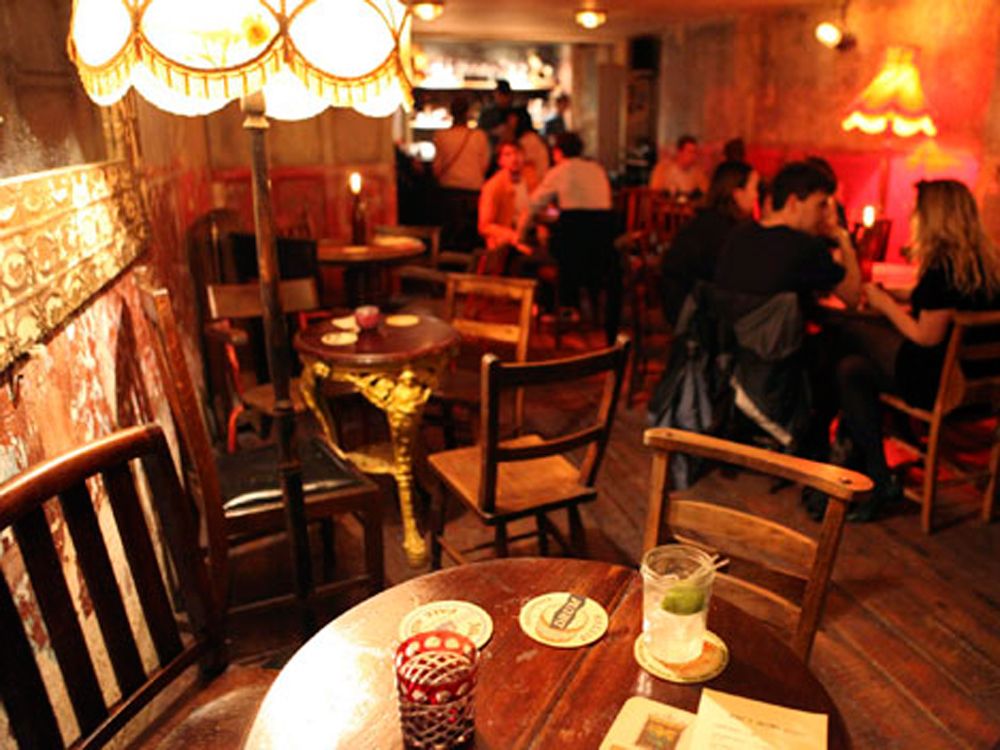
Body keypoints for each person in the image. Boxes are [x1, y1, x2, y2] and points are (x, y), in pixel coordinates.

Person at [831, 179, 1000, 521]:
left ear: (934, 218)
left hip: (938, 386)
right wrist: (904, 295)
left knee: (848, 332)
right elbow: (944, 300)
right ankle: (878, 472)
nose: (912, 218)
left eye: (917, 212)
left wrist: (884, 304)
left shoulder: (941, 272)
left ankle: (864, 467)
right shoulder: (986, 266)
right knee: (852, 368)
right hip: (984, 390)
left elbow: (926, 336)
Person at [713, 160, 860, 461]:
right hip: (779, 366)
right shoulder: (805, 247)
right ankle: (826, 447)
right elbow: (853, 296)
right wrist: (843, 237)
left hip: (731, 362)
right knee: (849, 353)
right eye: (820, 205)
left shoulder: (739, 235)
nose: (824, 215)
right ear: (794, 202)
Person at [520, 132, 621, 345]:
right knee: (570, 249)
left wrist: (521, 233)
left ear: (557, 152)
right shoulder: (597, 169)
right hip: (601, 252)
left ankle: (550, 307)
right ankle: (573, 306)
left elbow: (533, 204)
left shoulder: (559, 171)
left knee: (533, 256)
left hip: (569, 253)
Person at [660, 160, 760, 326]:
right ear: (737, 194)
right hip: (694, 315)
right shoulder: (725, 231)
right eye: (754, 188)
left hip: (682, 306)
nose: (756, 196)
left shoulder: (706, 220)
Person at [433, 96, 490, 252]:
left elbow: (437, 168)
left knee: (450, 235)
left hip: (449, 192)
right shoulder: (479, 136)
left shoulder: (441, 136)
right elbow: (484, 164)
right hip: (473, 192)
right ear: (468, 113)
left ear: (451, 113)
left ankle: (449, 261)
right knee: (470, 236)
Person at [478, 141, 534, 274]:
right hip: (506, 244)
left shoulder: (530, 180)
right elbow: (484, 225)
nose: (514, 158)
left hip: (528, 236)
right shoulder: (494, 186)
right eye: (508, 155)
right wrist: (511, 235)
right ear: (500, 161)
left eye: (517, 153)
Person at [649, 134, 709, 201]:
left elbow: (707, 191)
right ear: (680, 152)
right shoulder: (663, 168)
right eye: (690, 152)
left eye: (695, 153)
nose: (694, 156)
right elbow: (654, 192)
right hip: (667, 204)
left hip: (689, 205)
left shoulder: (697, 172)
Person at [508, 107, 550, 192]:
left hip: (534, 186)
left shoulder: (528, 140)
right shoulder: (530, 138)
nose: (509, 123)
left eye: (512, 119)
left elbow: (526, 165)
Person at [477, 79, 514, 145]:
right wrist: (494, 132)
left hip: (510, 148)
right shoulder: (488, 112)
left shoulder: (516, 112)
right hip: (492, 147)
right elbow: (479, 133)